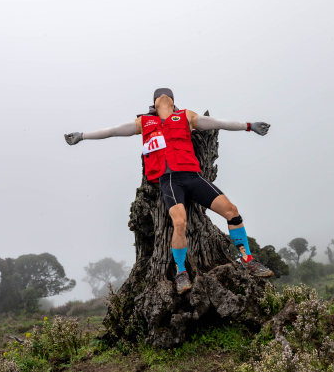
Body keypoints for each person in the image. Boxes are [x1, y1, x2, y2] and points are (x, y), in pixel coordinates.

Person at [64, 88, 273, 294]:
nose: (163, 97)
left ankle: (248, 259)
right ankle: (181, 271)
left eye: (167, 95)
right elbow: (112, 131)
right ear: (154, 103)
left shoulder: (185, 116)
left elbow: (219, 123)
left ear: (173, 101)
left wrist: (249, 126)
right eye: (159, 96)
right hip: (169, 180)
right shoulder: (145, 122)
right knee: (180, 222)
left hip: (192, 176)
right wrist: (82, 136)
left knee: (232, 210)